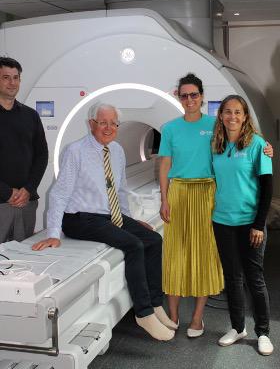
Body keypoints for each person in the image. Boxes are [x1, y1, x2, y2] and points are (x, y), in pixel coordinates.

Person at [32, 102, 177, 341]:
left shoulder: (117, 151)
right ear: (92, 124)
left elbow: (119, 191)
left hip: (107, 216)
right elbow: (59, 193)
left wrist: (129, 220)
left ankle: (155, 302)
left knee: (153, 239)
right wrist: (54, 234)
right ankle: (143, 313)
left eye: (113, 123)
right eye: (103, 122)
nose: (108, 127)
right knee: (134, 244)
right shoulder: (75, 151)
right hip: (79, 218)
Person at [159, 73, 273, 338]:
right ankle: (175, 315)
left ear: (202, 97)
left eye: (194, 95)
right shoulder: (170, 128)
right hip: (181, 194)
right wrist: (164, 199)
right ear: (178, 96)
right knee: (176, 255)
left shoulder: (216, 126)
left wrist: (266, 147)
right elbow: (165, 163)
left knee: (205, 256)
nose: (189, 99)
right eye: (184, 95)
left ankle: (199, 318)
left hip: (208, 194)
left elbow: (243, 141)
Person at [211, 95, 273, 355]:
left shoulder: (258, 145)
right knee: (232, 279)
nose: (232, 116)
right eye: (227, 111)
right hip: (223, 221)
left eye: (237, 112)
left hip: (250, 224)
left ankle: (263, 332)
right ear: (221, 116)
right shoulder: (216, 145)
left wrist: (259, 225)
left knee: (254, 279)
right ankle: (238, 328)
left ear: (245, 116)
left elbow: (268, 187)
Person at [0, 56, 48, 244]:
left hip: (26, 202)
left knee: (23, 261)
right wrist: (7, 192)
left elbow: (42, 154)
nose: (12, 83)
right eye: (6, 77)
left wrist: (29, 189)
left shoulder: (31, 115)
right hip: (1, 202)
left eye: (16, 77)